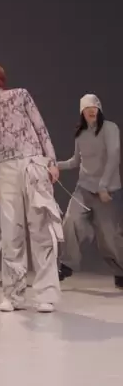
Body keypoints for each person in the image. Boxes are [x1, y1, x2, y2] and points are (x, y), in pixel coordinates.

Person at [0, 60, 62, 313]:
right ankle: (13, 294)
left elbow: (41, 128)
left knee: (41, 229)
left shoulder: (20, 95)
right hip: (5, 168)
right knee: (11, 234)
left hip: (32, 163)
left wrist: (52, 161)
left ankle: (46, 294)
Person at [58, 94, 123, 290]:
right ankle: (66, 264)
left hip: (107, 191)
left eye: (94, 107)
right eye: (87, 108)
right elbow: (75, 161)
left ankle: (121, 271)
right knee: (71, 221)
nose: (91, 110)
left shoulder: (110, 128)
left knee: (109, 236)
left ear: (99, 109)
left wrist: (103, 185)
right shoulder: (81, 134)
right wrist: (54, 165)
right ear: (82, 112)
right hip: (84, 188)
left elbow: (114, 156)